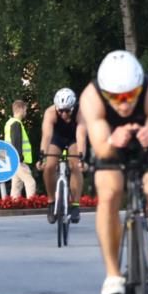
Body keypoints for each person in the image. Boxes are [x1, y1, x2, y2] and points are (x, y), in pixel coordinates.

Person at [80, 50, 148, 294]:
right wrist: (113, 141)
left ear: (138, 87)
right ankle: (112, 274)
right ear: (105, 92)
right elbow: (100, 148)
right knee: (109, 195)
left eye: (130, 96)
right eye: (116, 98)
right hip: (111, 145)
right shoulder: (92, 96)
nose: (124, 104)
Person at [37, 87, 87, 224]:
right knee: (49, 166)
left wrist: (81, 158)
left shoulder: (81, 112)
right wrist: (42, 156)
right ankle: (51, 202)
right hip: (57, 137)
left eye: (67, 110)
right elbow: (47, 136)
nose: (64, 114)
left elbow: (81, 136)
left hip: (74, 137)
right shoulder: (50, 112)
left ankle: (75, 205)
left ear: (73, 107)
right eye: (61, 110)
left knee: (75, 165)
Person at [4, 100, 37, 199]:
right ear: (21, 109)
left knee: (16, 185)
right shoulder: (16, 123)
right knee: (30, 182)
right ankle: (32, 204)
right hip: (18, 160)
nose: (26, 112)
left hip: (12, 159)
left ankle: (13, 205)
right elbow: (16, 141)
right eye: (25, 109)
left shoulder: (9, 123)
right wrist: (19, 157)